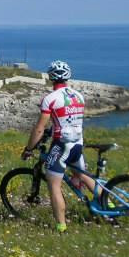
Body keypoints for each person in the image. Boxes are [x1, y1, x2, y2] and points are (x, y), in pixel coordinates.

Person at [22, 60, 94, 232]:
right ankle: (109, 205)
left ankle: (61, 227)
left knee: (54, 185)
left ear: (50, 77)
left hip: (62, 145)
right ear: (68, 75)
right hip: (78, 144)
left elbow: (40, 128)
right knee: (83, 176)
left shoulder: (50, 99)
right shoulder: (79, 96)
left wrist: (29, 149)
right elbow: (70, 120)